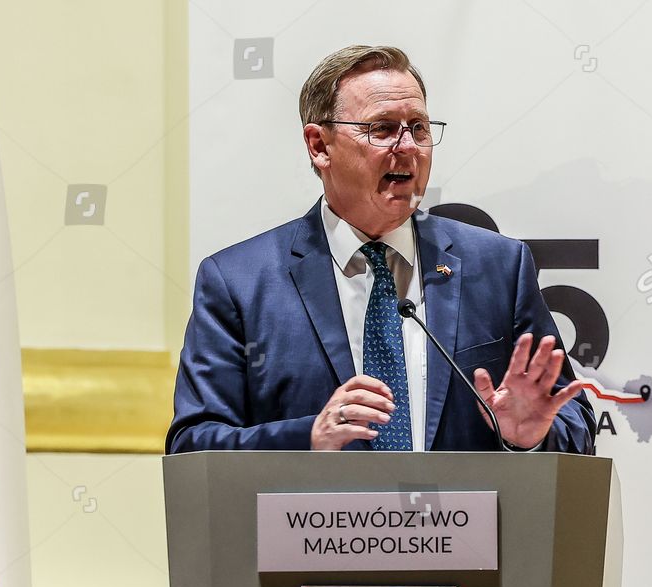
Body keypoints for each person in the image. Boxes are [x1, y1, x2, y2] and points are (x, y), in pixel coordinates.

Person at [167, 44, 595, 454]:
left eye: (420, 128)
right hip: (313, 527)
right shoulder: (239, 283)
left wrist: (531, 436)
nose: (408, 147)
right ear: (319, 146)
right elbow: (193, 444)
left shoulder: (498, 267)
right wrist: (310, 438)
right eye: (383, 128)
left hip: (461, 527)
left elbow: (574, 419)